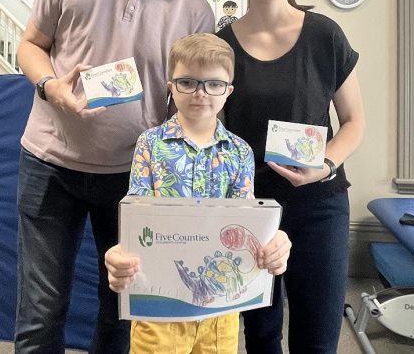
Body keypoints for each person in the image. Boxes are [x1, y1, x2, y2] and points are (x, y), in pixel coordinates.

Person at [14, 0, 215, 354]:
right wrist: (50, 87)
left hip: (133, 178)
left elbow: (184, 109)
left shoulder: (197, 12)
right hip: (49, 165)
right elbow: (29, 45)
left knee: (123, 312)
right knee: (41, 312)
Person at [216, 0, 365, 354]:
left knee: (317, 334)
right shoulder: (220, 45)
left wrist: (324, 166)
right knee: (260, 335)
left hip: (319, 205)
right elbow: (211, 127)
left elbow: (354, 121)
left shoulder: (325, 35)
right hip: (251, 208)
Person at [104, 33, 292, 354]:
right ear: (170, 86)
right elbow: (138, 215)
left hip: (220, 312)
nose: (200, 93)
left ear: (228, 91)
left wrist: (274, 241)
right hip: (160, 306)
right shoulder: (150, 143)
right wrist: (121, 253)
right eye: (187, 82)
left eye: (214, 84)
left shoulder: (239, 152)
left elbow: (244, 223)